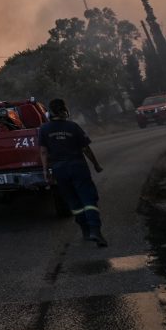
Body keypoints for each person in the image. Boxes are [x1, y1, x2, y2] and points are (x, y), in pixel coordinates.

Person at [38, 98, 108, 247]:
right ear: (65, 111)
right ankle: (95, 230)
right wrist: (96, 164)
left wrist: (46, 172)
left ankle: (84, 230)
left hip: (59, 170)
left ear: (49, 113)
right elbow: (86, 149)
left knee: (73, 201)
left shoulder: (44, 130)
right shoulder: (73, 127)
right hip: (78, 167)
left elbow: (43, 152)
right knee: (88, 199)